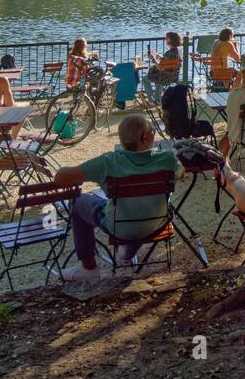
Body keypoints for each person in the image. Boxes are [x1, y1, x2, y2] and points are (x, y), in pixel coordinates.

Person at [51, 114, 182, 280]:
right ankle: (128, 248)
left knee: (78, 201)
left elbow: (60, 178)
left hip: (119, 227)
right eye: (153, 132)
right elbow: (182, 172)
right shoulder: (168, 159)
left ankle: (88, 267)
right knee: (139, 205)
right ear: (147, 138)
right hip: (157, 224)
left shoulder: (107, 162)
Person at [141, 31, 182, 102]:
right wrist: (157, 55)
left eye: (166, 38)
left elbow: (160, 67)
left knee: (145, 79)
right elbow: (166, 62)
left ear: (170, 40)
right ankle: (158, 99)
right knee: (158, 78)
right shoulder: (177, 51)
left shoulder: (169, 53)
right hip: (173, 76)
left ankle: (151, 99)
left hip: (164, 77)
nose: (165, 39)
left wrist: (153, 58)